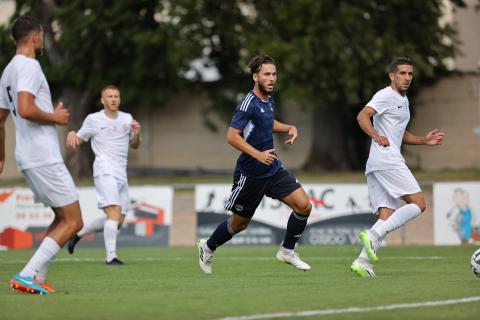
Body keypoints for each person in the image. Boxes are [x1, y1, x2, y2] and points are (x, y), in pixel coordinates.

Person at [197, 54, 312, 274]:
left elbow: (268, 123)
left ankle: (287, 250)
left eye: (274, 74)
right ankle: (208, 246)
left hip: (273, 168)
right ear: (255, 77)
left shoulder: (269, 100)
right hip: (250, 174)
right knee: (239, 224)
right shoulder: (247, 103)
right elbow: (232, 136)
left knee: (304, 206)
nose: (272, 78)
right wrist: (258, 155)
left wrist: (289, 127)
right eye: (266, 74)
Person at [0, 15, 83, 294]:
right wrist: (56, 118)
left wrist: (1, 157)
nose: (43, 41)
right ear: (35, 37)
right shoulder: (29, 67)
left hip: (27, 156)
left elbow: (0, 120)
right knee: (74, 221)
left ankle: (35, 277)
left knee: (61, 218)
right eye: (43, 36)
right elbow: (25, 109)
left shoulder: (8, 71)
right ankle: (27, 274)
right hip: (42, 156)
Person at [351, 57, 445, 278]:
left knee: (387, 214)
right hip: (387, 159)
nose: (407, 78)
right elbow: (362, 116)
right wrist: (375, 135)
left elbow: (399, 135)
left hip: (378, 162)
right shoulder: (385, 95)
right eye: (402, 73)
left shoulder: (403, 100)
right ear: (392, 76)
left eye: (410, 74)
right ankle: (374, 234)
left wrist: (424, 140)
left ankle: (363, 261)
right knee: (419, 204)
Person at [66, 85, 141, 265]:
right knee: (114, 213)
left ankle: (79, 234)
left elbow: (135, 145)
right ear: (102, 100)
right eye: (109, 96)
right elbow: (76, 141)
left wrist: (137, 133)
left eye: (116, 96)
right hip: (104, 170)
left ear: (119, 99)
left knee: (118, 221)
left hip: (121, 174)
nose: (113, 99)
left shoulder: (127, 118)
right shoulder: (93, 119)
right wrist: (71, 134)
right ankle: (111, 257)